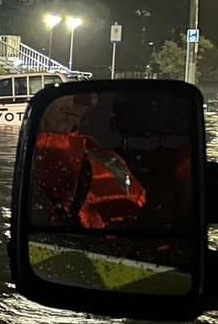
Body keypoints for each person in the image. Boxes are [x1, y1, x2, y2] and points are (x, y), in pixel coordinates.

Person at [31, 94, 147, 231]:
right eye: (69, 90)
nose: (91, 101)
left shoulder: (101, 159)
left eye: (92, 95)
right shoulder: (103, 159)